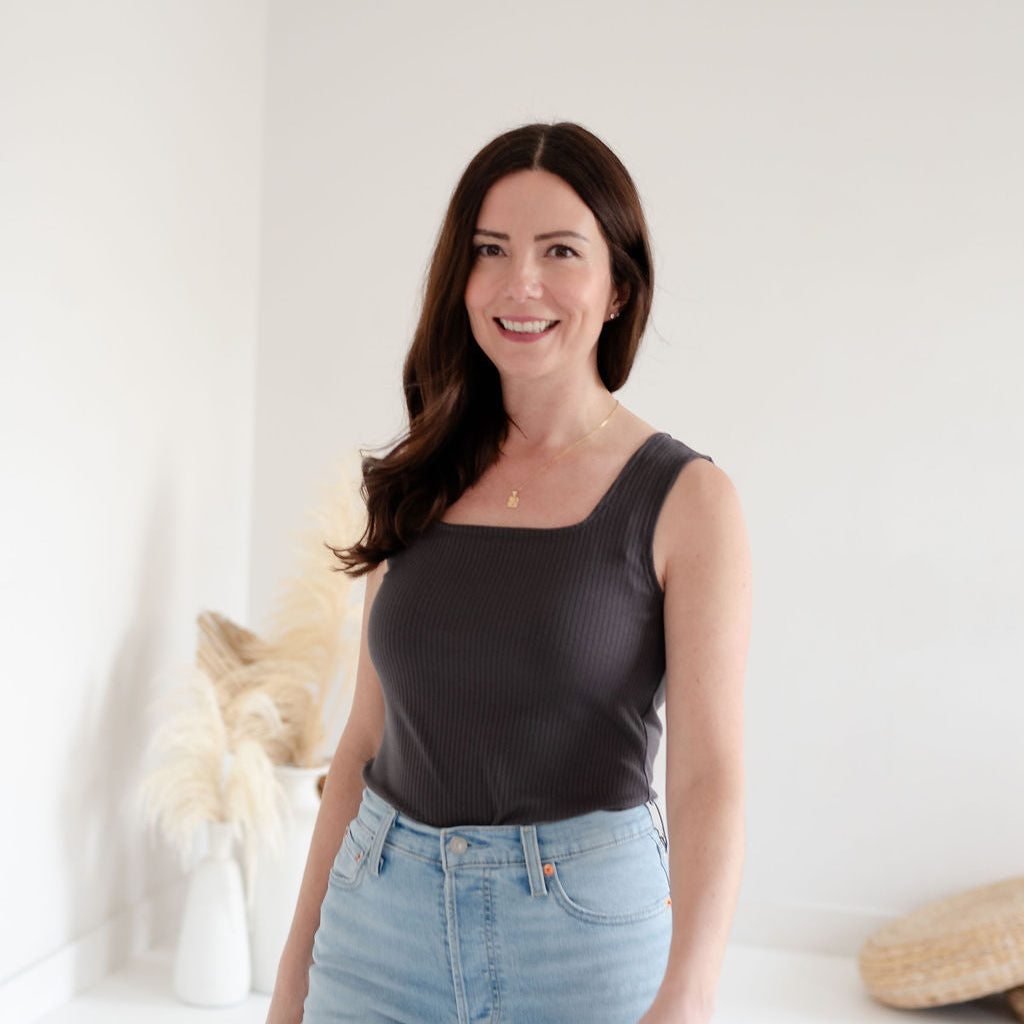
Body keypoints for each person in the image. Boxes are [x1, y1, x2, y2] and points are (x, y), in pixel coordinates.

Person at [266, 122, 750, 1024]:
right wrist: (292, 981)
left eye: (560, 250)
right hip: (378, 927)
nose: (521, 283)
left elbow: (708, 772)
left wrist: (690, 992)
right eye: (492, 250)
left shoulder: (688, 498)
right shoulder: (418, 476)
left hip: (585, 939)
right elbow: (362, 746)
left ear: (617, 289)